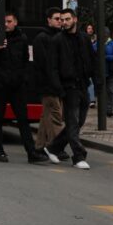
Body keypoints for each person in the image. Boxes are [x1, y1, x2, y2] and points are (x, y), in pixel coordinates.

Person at [0, 13, 48, 164]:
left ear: (15, 22)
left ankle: (31, 153)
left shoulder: (22, 38)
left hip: (17, 86)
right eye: (3, 22)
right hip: (0, 85)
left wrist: (24, 79)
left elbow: (25, 61)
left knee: (23, 120)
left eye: (9, 21)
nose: (6, 24)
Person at [45, 8, 92, 169]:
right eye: (62, 20)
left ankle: (53, 147)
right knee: (73, 121)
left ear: (75, 19)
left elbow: (91, 59)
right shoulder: (57, 40)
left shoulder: (84, 38)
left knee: (79, 121)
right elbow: (52, 67)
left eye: (67, 19)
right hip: (68, 87)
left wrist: (96, 81)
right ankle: (79, 156)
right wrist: (59, 88)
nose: (63, 22)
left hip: (83, 85)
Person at [33, 8, 65, 154]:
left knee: (47, 115)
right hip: (48, 84)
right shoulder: (42, 38)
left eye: (61, 19)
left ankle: (40, 146)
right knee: (56, 115)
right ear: (49, 20)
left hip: (58, 84)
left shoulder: (61, 37)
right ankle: (57, 147)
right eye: (57, 18)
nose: (60, 21)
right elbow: (44, 64)